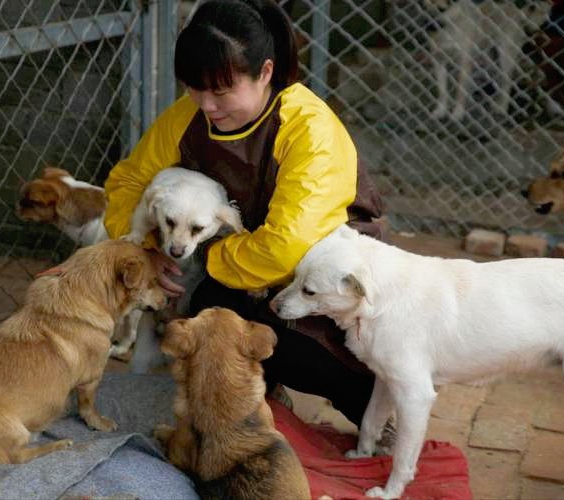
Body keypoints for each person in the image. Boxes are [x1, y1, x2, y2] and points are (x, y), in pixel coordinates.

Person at [103, 0, 383, 427]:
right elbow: (127, 185)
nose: (206, 104)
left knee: (292, 346)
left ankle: (377, 416)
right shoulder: (187, 116)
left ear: (265, 72)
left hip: (320, 279)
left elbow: (283, 250)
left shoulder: (308, 127)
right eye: (194, 88)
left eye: (221, 90)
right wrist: (146, 249)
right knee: (210, 322)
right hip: (237, 265)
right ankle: (259, 399)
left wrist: (203, 259)